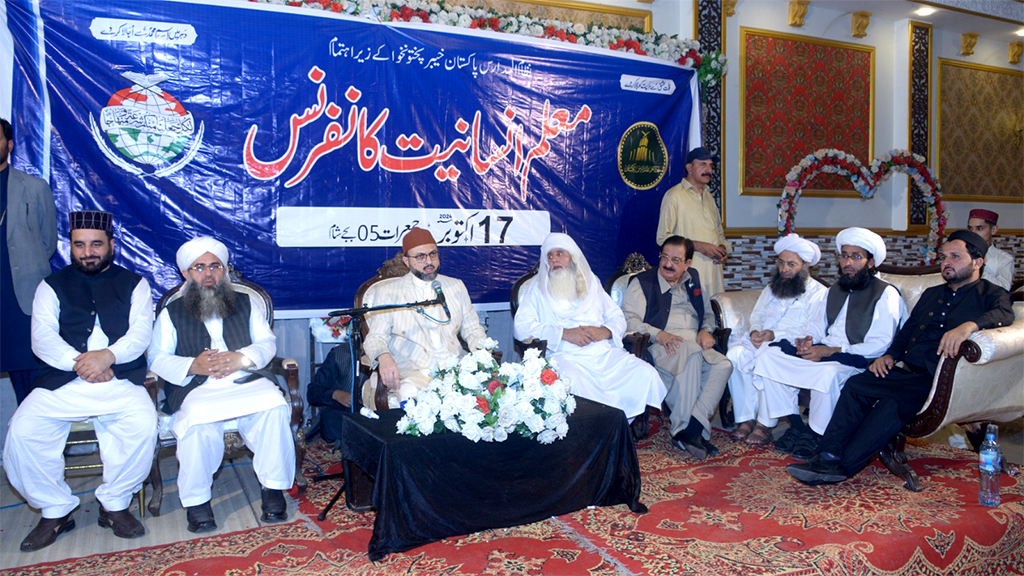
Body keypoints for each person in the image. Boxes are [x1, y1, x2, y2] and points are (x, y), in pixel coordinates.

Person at [787, 230, 1014, 485]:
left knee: (892, 403)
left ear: (978, 262)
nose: (946, 262)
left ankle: (844, 467)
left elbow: (1005, 315)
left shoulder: (991, 293)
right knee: (857, 384)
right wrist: (890, 355)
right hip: (909, 370)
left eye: (955, 257)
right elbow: (907, 331)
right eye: (944, 257)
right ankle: (827, 454)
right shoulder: (933, 294)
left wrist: (969, 326)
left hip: (940, 378)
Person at [4, 210, 155, 551]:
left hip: (119, 379)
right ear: (70, 247)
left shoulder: (135, 283)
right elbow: (41, 338)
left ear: (111, 245)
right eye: (79, 245)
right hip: (63, 381)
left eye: (96, 244)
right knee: (23, 431)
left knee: (144, 424)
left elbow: (141, 333)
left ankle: (114, 504)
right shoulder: (50, 286)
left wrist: (108, 357)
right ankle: (56, 509)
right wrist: (82, 364)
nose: (88, 252)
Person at [148, 237, 294, 533]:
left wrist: (241, 358)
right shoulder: (171, 312)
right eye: (199, 267)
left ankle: (273, 489)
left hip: (247, 379)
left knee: (276, 407)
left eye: (215, 266)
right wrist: (192, 365)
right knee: (196, 422)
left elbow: (267, 343)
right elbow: (156, 358)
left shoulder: (245, 302)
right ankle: (198, 501)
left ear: (225, 270)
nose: (208, 274)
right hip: (198, 387)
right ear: (187, 274)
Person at [752, 227, 906, 461]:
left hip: (857, 358)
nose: (848, 262)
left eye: (856, 257)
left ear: (871, 262)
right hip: (826, 352)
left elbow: (881, 344)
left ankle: (817, 434)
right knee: (768, 355)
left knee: (828, 374)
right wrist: (808, 340)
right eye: (844, 255)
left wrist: (832, 351)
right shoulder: (835, 290)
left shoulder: (885, 294)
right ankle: (797, 427)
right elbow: (816, 325)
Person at [514, 233, 667, 424]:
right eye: (550, 256)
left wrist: (605, 331)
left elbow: (617, 317)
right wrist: (564, 334)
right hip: (565, 355)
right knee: (571, 383)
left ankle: (616, 429)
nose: (554, 259)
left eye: (559, 253)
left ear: (572, 256)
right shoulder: (538, 288)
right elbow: (521, 327)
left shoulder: (591, 282)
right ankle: (589, 435)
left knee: (645, 373)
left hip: (602, 353)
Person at [620, 235, 732, 459]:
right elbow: (628, 319)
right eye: (664, 257)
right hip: (661, 343)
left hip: (695, 342)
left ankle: (692, 429)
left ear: (688, 263)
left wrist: (706, 330)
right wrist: (658, 334)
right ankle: (684, 429)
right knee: (691, 356)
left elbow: (708, 313)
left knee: (723, 365)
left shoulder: (694, 278)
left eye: (676, 260)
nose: (668, 264)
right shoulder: (643, 282)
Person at [362, 227, 490, 407]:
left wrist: (483, 352)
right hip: (415, 372)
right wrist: (383, 357)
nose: (428, 261)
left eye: (433, 254)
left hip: (454, 369)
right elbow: (375, 338)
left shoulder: (455, 286)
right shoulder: (388, 293)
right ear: (406, 261)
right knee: (410, 397)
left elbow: (472, 329)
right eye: (420, 257)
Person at [725, 234, 828, 446]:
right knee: (735, 354)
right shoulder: (773, 286)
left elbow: (812, 330)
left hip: (790, 348)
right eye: (781, 262)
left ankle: (764, 424)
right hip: (763, 340)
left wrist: (774, 336)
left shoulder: (819, 294)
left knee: (767, 356)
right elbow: (758, 314)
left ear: (806, 265)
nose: (784, 269)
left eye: (791, 264)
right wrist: (755, 331)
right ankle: (745, 418)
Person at [1, 117, 57, 404]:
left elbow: (47, 242)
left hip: (19, 295)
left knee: (29, 378)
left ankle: (35, 440)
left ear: (8, 144)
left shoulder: (34, 187)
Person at [656, 146, 731, 297]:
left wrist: (722, 248)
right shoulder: (674, 196)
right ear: (689, 168)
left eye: (711, 165)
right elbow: (663, 238)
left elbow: (719, 233)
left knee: (713, 315)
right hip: (688, 275)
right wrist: (698, 246)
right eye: (703, 164)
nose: (708, 169)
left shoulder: (709, 197)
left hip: (713, 275)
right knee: (690, 317)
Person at [306, 343, 356, 445]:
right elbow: (312, 392)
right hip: (343, 415)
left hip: (374, 417)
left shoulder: (389, 355)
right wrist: (336, 394)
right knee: (330, 418)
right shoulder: (339, 354)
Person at [966, 209, 1014, 291]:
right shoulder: (960, 254)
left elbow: (1003, 289)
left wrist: (978, 267)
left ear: (993, 230)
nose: (973, 233)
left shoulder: (1004, 259)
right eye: (970, 229)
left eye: (979, 228)